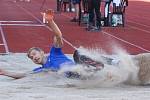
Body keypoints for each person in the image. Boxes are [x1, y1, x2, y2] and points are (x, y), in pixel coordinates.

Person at [0, 9, 103, 79]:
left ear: (41, 52)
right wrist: (5, 72)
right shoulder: (41, 70)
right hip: (73, 76)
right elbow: (23, 75)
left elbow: (58, 35)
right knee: (62, 72)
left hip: (80, 67)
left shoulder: (55, 53)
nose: (34, 57)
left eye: (34, 54)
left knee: (78, 53)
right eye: (31, 58)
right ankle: (98, 73)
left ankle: (104, 65)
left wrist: (51, 22)